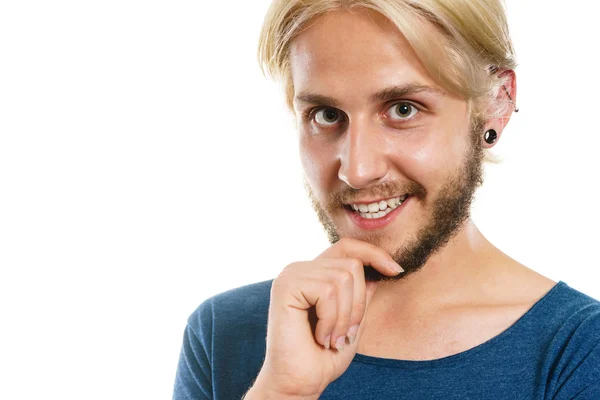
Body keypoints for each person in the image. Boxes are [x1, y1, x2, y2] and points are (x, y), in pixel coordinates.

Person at [173, 0, 600, 398]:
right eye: (326, 115)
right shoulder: (225, 333)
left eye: (403, 109)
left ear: (495, 105)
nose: (356, 169)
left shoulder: (577, 350)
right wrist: (282, 391)